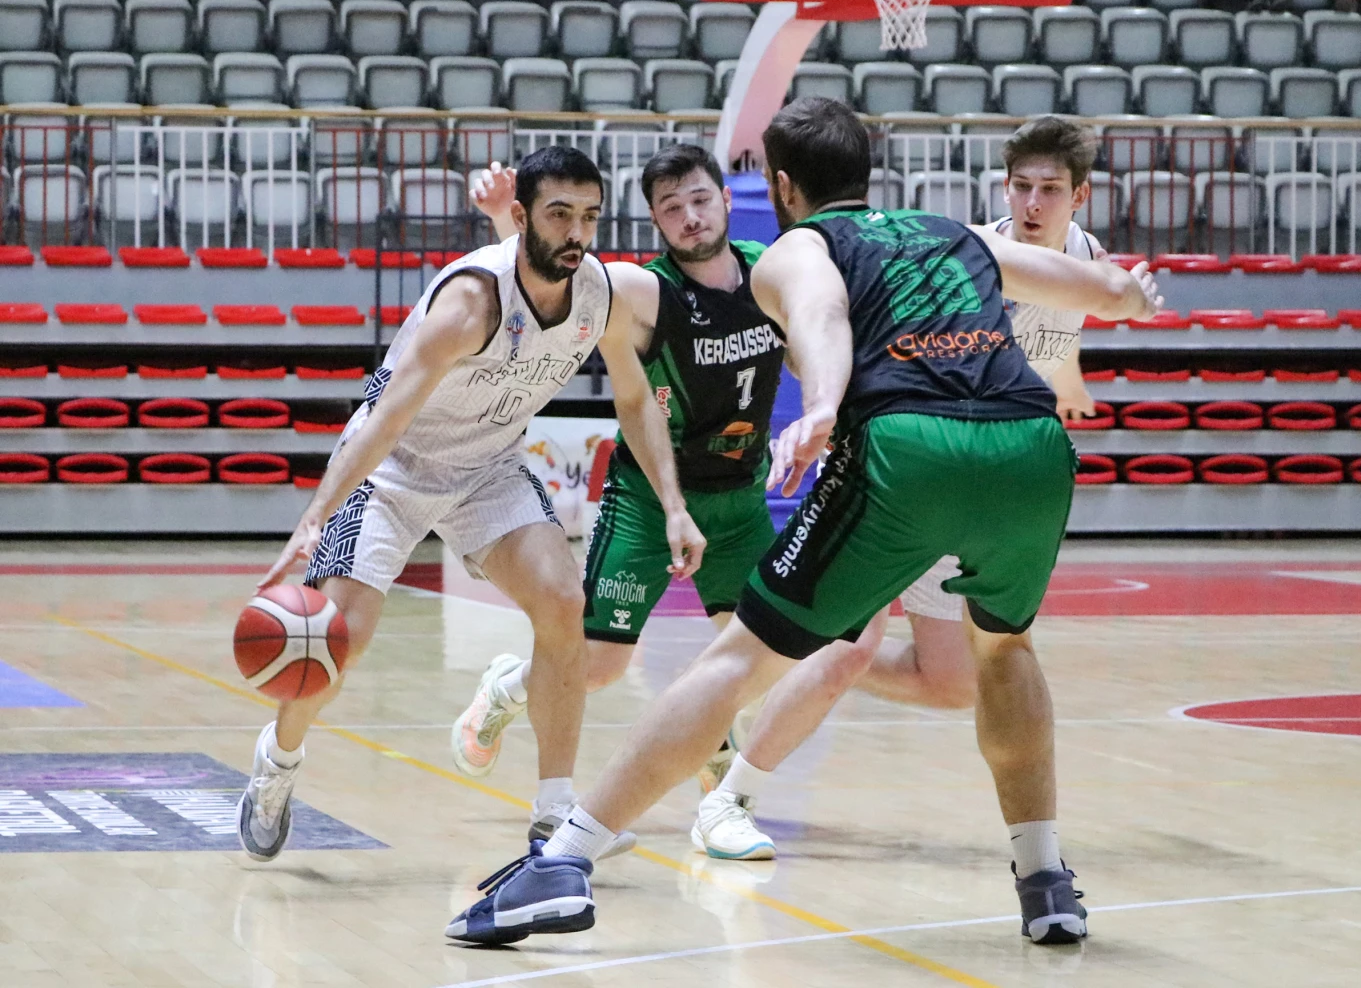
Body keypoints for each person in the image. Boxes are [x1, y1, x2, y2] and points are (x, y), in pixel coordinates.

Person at [444, 97, 1162, 946]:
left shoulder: (798, 247)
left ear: (781, 186)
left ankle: (562, 862)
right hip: (1031, 450)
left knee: (739, 657)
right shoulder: (952, 232)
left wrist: (820, 404)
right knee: (1004, 652)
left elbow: (819, 314)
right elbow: (1103, 290)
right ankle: (1044, 881)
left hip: (908, 447)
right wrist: (1131, 297)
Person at [238, 146, 704, 863]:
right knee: (336, 641)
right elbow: (385, 420)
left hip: (488, 466)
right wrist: (315, 517)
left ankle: (554, 814)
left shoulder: (598, 296)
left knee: (562, 600)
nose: (576, 232)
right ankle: (278, 760)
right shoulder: (470, 302)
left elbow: (636, 400)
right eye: (559, 214)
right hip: (394, 466)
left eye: (588, 216)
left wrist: (673, 503)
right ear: (521, 217)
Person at [689, 115, 1117, 863]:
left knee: (948, 681)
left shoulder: (1082, 259)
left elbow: (1062, 338)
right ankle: (730, 796)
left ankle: (789, 663)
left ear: (1078, 197)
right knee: (849, 646)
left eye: (1050, 189)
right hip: (898, 454)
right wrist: (827, 403)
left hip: (983, 473)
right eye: (1021, 186)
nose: (1033, 203)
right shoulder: (966, 253)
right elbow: (839, 327)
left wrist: (1070, 388)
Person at [448, 144, 786, 832]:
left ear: (726, 199)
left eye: (700, 199)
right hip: (650, 499)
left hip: (741, 498)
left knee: (764, 658)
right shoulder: (642, 290)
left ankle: (717, 777)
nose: (690, 217)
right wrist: (503, 219)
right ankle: (510, 687)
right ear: (657, 223)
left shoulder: (771, 272)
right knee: (598, 664)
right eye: (671, 208)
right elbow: (551, 276)